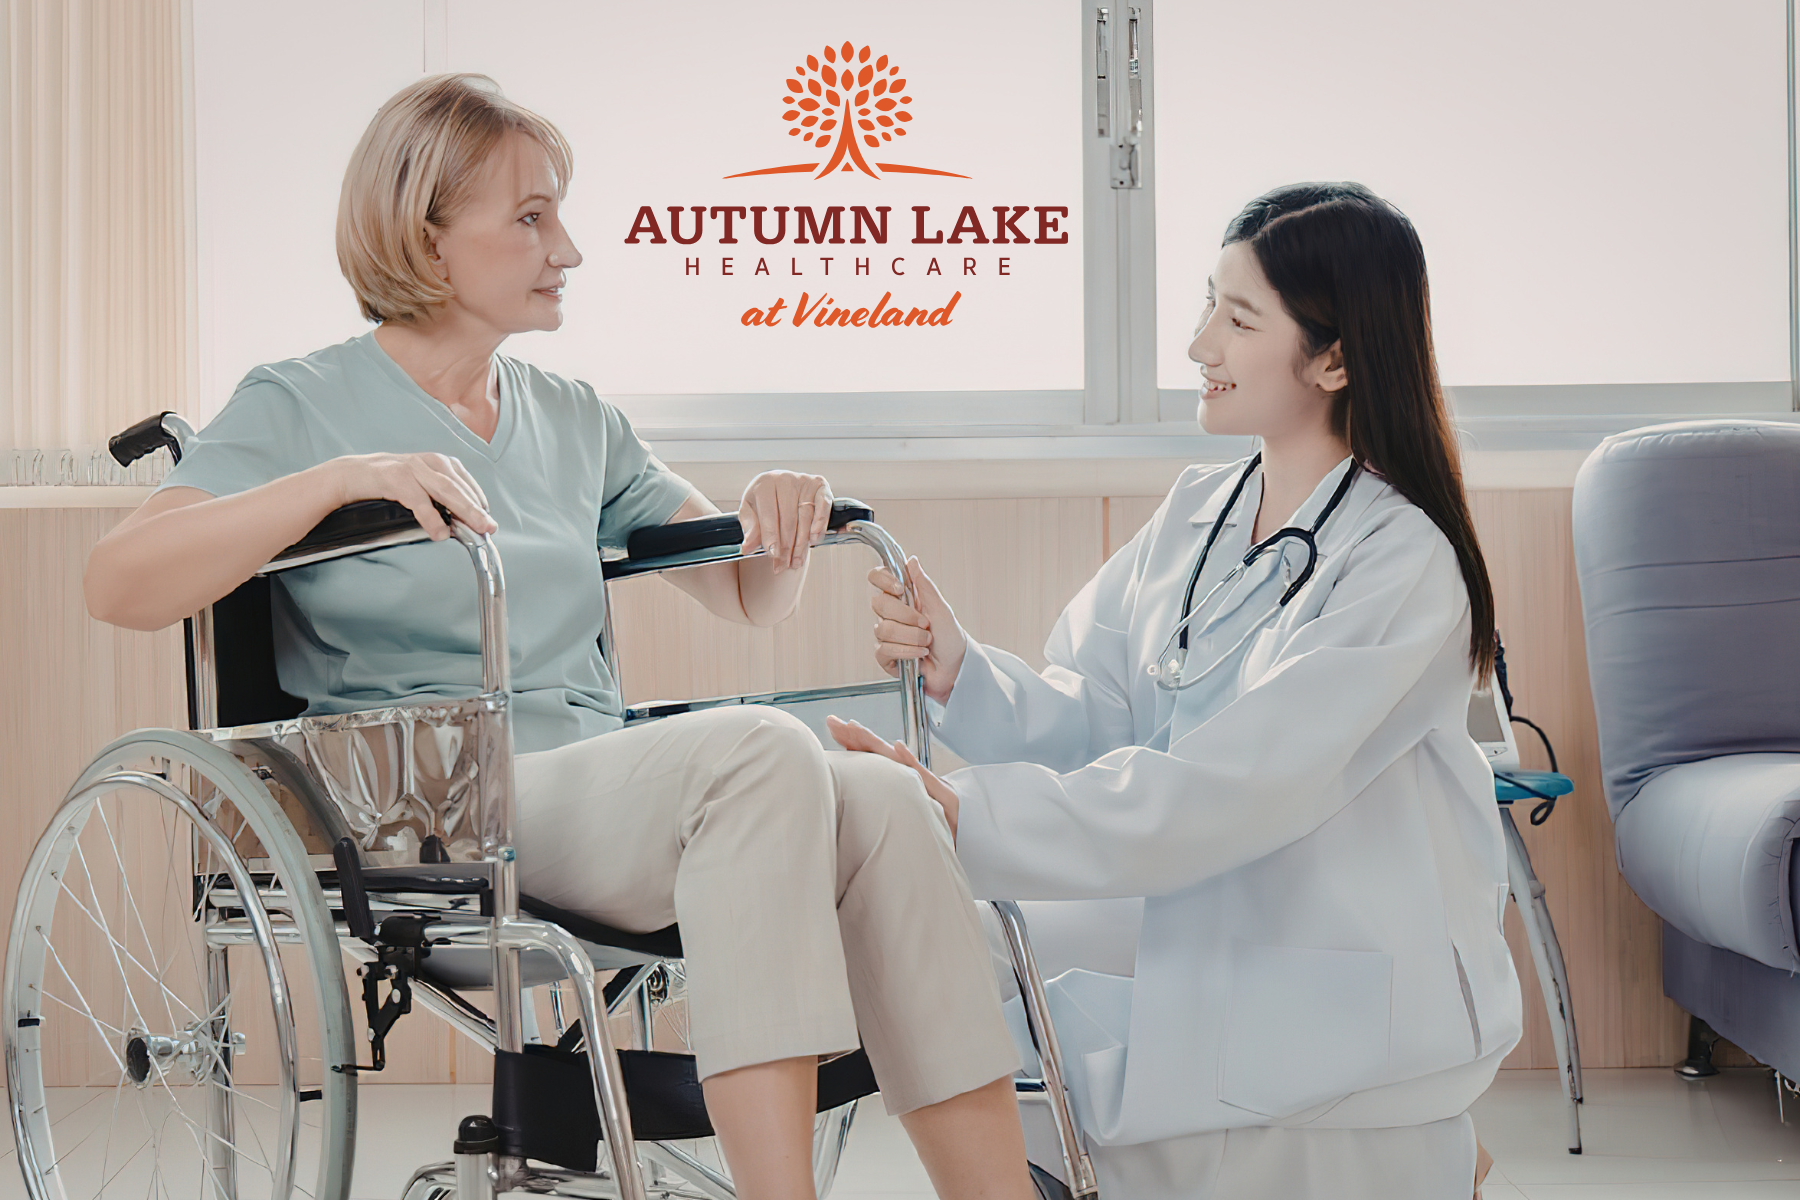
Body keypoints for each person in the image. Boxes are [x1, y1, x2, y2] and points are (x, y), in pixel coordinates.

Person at [83, 74, 1035, 1200]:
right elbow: (119, 581)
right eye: (531, 218)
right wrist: (336, 483)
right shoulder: (301, 403)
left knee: (883, 800)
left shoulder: (574, 416)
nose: (568, 250)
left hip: (587, 789)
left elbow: (743, 594)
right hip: (423, 803)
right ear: (426, 238)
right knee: (759, 751)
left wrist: (778, 514)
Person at [831, 182, 1522, 1199]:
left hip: (1332, 955)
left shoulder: (1401, 559)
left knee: (994, 1007)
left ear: (1334, 360)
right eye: (1209, 303)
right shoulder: (1203, 510)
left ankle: (1424, 1159)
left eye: (1239, 320)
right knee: (922, 938)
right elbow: (1102, 712)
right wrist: (962, 669)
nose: (1200, 343)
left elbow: (1236, 784)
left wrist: (966, 813)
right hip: (1199, 903)